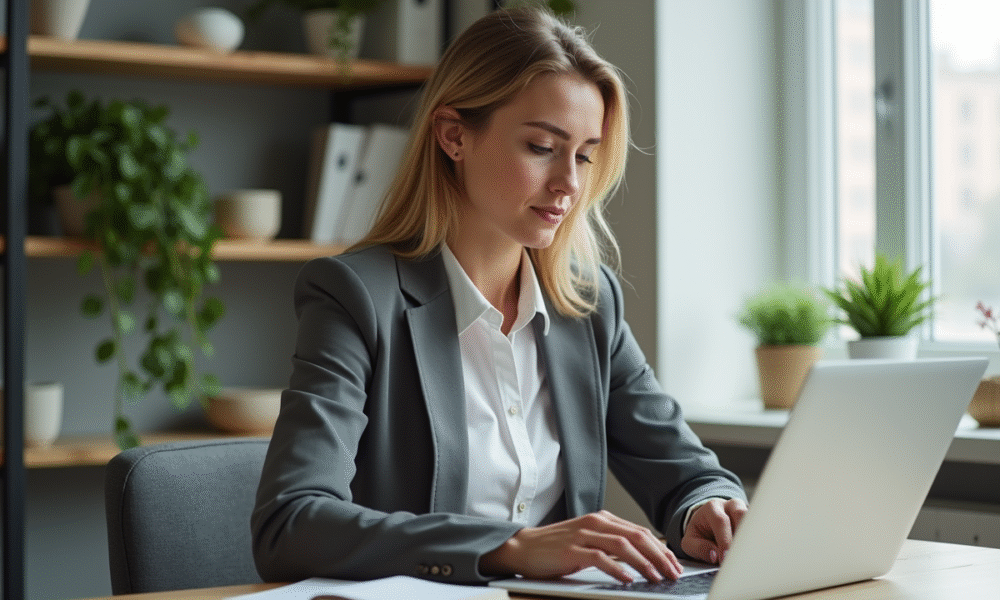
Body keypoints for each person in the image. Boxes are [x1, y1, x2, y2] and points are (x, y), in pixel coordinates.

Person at [251, 6, 747, 587]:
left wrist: (707, 507)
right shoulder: (356, 297)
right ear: (453, 136)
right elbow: (290, 524)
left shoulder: (588, 305)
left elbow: (684, 470)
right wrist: (508, 548)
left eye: (585, 154)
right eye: (541, 146)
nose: (569, 183)